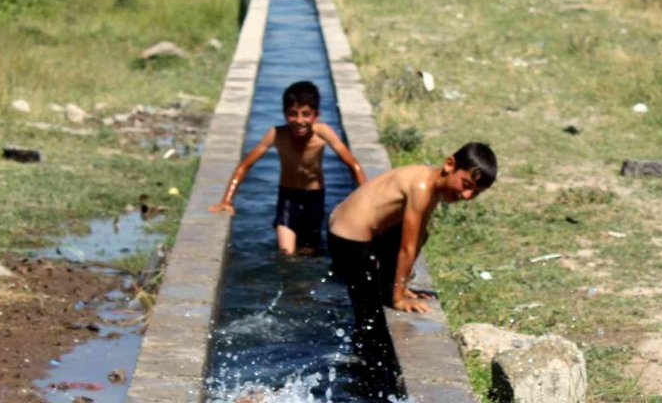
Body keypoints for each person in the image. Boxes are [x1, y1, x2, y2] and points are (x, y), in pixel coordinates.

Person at [327, 142, 497, 381]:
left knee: (420, 235)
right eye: (466, 185)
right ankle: (363, 374)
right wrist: (399, 298)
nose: (466, 195)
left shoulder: (429, 182)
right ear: (449, 164)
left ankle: (387, 293)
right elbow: (408, 246)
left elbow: (416, 239)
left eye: (475, 193)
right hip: (348, 238)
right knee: (369, 316)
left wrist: (402, 286)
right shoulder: (421, 186)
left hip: (352, 231)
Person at [209, 80, 365, 254]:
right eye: (292, 114)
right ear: (284, 114)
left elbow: (353, 164)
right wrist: (227, 200)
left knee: (309, 253)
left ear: (316, 115)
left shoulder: (323, 133)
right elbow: (245, 165)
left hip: (314, 197)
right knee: (286, 253)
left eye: (306, 114)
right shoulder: (276, 134)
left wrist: (365, 197)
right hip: (288, 197)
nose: (299, 121)